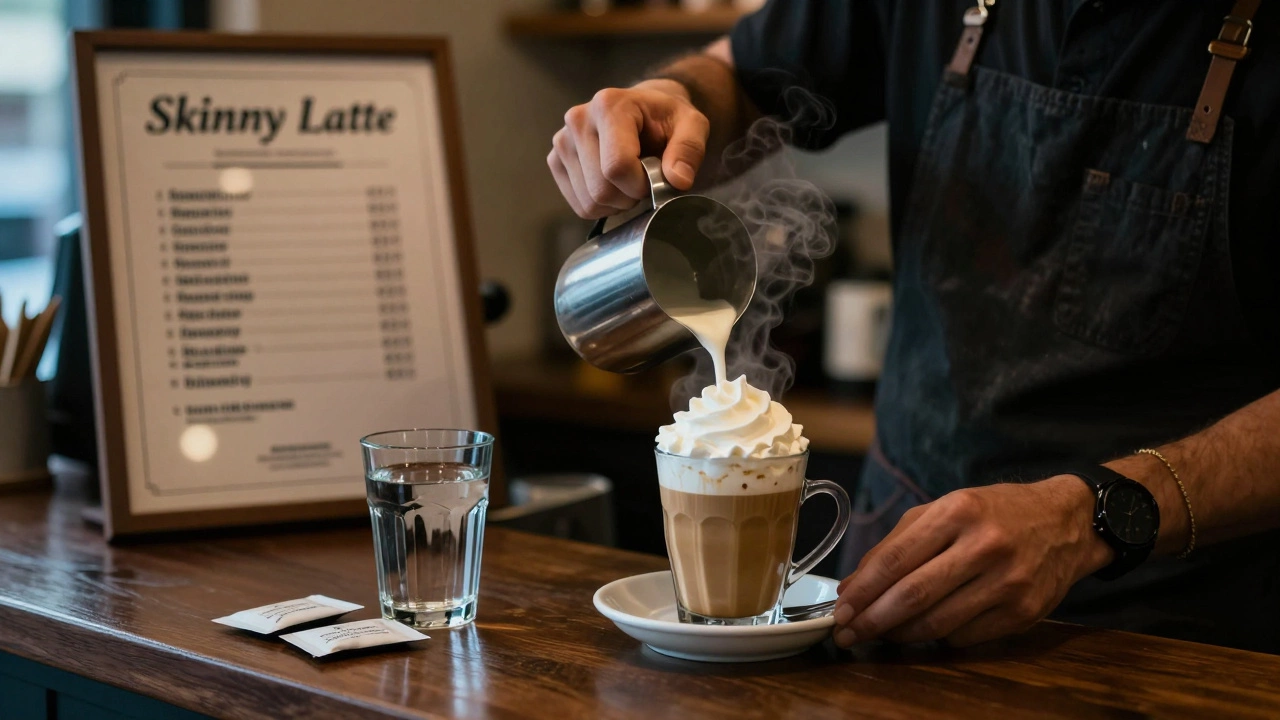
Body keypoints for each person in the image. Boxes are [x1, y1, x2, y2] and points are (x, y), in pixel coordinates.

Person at [548, 0, 1280, 654]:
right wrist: (668, 98)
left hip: (1174, 626)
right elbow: (740, 75)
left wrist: (1095, 518)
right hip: (896, 573)